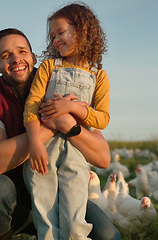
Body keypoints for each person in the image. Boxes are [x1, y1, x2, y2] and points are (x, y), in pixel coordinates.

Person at [0, 28, 120, 240]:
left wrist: (69, 124)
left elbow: (103, 158)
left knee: (108, 236)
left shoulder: (59, 81)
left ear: (33, 57)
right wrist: (52, 125)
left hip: (61, 193)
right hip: (14, 202)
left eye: (22, 51)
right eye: (5, 56)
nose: (15, 59)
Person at [22, 3, 110, 239]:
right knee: (47, 223)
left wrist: (72, 107)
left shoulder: (99, 76)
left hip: (77, 152)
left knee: (74, 223)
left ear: (82, 31)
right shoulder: (50, 67)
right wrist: (35, 143)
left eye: (60, 32)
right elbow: (32, 104)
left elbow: (102, 119)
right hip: (44, 152)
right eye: (52, 36)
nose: (55, 40)